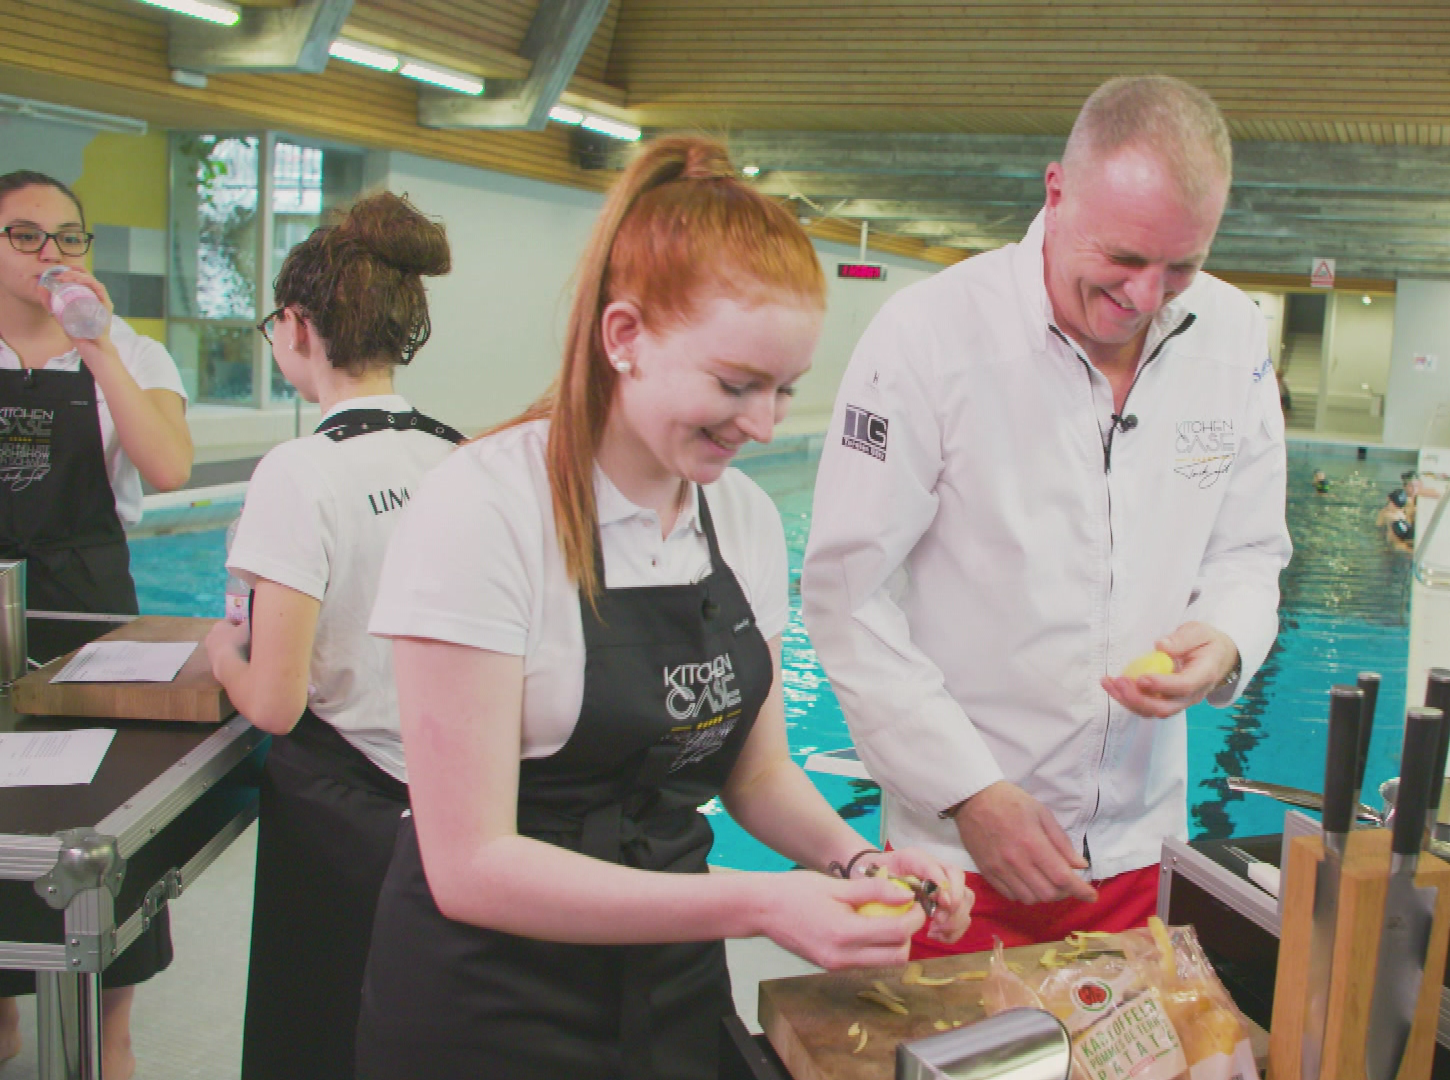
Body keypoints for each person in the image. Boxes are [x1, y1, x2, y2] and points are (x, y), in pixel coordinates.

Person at [354, 136, 972, 1080]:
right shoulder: (483, 509)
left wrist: (856, 862)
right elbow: (471, 863)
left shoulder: (747, 522)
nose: (764, 424)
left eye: (783, 391)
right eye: (736, 385)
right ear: (624, 337)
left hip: (670, 987)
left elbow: (755, 776)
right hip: (485, 1007)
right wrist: (761, 904)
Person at [802, 76, 1291, 958]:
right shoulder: (929, 336)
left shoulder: (1233, 335)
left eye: (1181, 266)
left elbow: (1252, 551)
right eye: (1123, 259)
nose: (1148, 296)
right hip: (956, 867)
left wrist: (1223, 638)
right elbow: (847, 598)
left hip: (1144, 852)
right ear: (1056, 190)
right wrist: (968, 793)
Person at [201, 191, 460, 1080]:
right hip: (453, 811)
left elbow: (274, 702)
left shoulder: (301, 471)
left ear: (300, 326)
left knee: (316, 1041)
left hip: (341, 823)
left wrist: (219, 657)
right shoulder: (458, 455)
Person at [0, 170, 193, 1079]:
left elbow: (170, 469)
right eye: (26, 236)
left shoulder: (137, 354)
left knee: (103, 907)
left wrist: (99, 346)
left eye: (68, 238)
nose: (50, 255)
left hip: (90, 630)